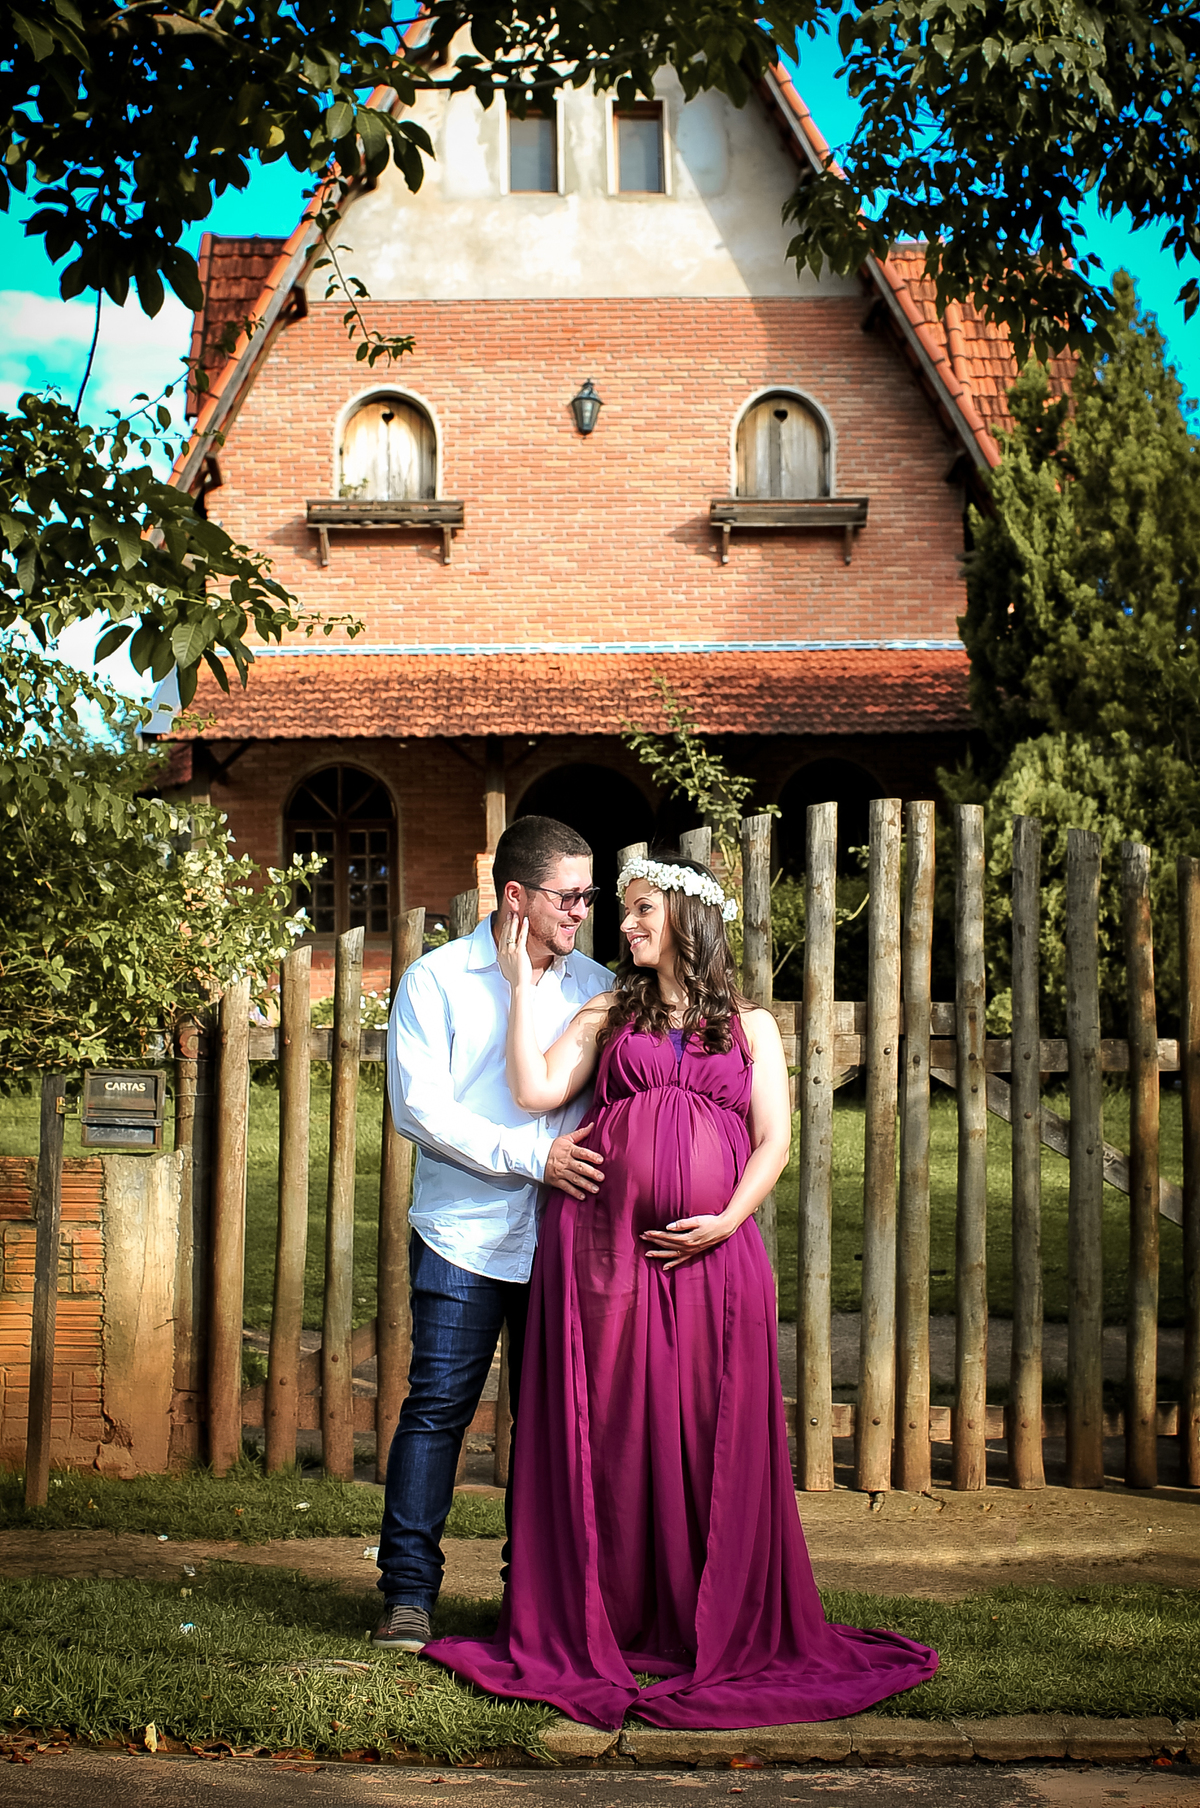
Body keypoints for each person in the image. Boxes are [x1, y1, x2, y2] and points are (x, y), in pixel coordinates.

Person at [422, 852, 938, 1728]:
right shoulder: (607, 1012)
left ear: (688, 917)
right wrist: (515, 991)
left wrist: (728, 1218)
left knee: (705, 1430)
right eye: (623, 910)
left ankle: (703, 1614)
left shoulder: (752, 1027)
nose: (624, 925)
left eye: (641, 909)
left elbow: (773, 1140)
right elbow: (533, 1088)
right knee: (618, 1430)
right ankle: (616, 1615)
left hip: (713, 1260)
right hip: (603, 1256)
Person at [374, 815, 612, 1652]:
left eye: (588, 895)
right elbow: (418, 1110)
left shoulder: (598, 986)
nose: (582, 910)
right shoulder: (435, 980)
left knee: (552, 1423)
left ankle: (532, 1601)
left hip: (566, 1240)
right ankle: (408, 1594)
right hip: (463, 1238)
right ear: (515, 895)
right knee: (438, 1410)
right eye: (568, 895)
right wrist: (531, 1156)